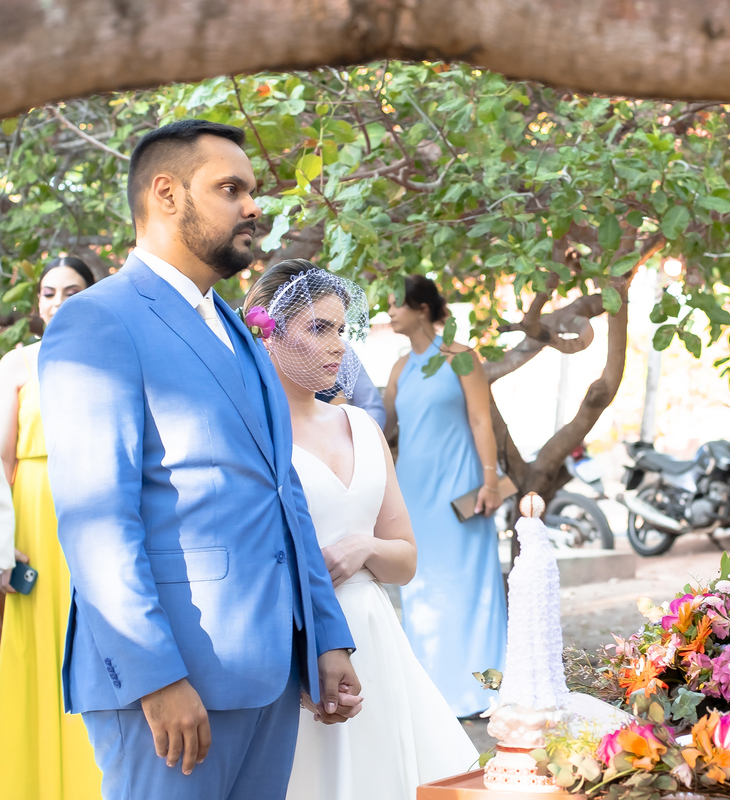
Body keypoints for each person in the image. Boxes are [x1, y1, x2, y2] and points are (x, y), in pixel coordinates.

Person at [38, 119, 361, 800]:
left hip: (270, 669)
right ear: (166, 194)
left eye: (253, 190)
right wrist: (155, 675)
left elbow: (283, 494)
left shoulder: (238, 331)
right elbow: (99, 520)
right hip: (174, 678)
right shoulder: (98, 320)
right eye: (231, 189)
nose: (254, 207)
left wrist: (326, 637)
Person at [243, 261, 478, 800]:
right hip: (294, 646)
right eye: (319, 329)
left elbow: (407, 559)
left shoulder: (363, 427)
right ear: (269, 332)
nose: (338, 347)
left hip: (376, 639)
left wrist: (366, 546)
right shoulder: (252, 437)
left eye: (342, 331)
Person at [0, 256, 103, 799]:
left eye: (72, 290)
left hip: (95, 521)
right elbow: (1, 460)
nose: (59, 301)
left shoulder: (111, 358)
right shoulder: (16, 365)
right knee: (36, 657)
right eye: (48, 293)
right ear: (38, 305)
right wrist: (3, 544)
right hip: (33, 528)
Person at [383, 276, 506, 718]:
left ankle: (488, 690)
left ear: (421, 309)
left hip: (462, 490)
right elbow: (386, 427)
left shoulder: (461, 357)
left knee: (475, 588)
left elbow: (480, 421)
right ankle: (434, 694)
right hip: (413, 493)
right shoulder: (399, 368)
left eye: (397, 305)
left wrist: (490, 482)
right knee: (422, 589)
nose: (390, 312)